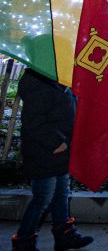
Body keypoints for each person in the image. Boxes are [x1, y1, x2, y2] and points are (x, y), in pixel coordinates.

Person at [11, 68, 94, 251]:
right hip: (45, 153)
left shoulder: (57, 79)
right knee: (43, 198)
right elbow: (33, 122)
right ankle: (23, 240)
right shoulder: (39, 82)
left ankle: (64, 234)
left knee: (62, 194)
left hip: (60, 150)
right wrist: (56, 142)